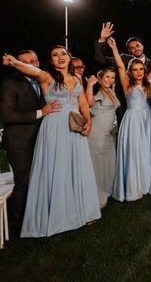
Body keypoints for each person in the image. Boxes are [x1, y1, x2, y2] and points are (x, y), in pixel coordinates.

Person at [3, 46, 100, 238]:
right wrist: (14, 62)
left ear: (69, 57)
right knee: (57, 168)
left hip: (74, 128)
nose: (60, 57)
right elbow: (33, 70)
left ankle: (80, 212)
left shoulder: (78, 79)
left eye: (63, 54)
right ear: (51, 61)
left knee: (76, 168)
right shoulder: (47, 77)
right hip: (55, 127)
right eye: (55, 55)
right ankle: (56, 217)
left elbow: (82, 103)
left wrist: (88, 123)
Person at [0, 50, 60, 233]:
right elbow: (6, 115)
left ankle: (36, 218)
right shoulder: (10, 84)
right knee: (24, 182)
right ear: (17, 65)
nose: (32, 63)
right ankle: (15, 226)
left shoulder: (42, 81)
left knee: (39, 180)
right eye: (26, 61)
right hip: (20, 143)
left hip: (41, 139)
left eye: (34, 60)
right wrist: (41, 112)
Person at [110, 38, 151, 201]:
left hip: (146, 118)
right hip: (132, 119)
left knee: (146, 148)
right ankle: (133, 185)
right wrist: (114, 47)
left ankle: (147, 182)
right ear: (131, 71)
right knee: (133, 149)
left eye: (141, 69)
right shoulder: (127, 83)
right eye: (135, 69)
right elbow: (120, 65)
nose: (138, 72)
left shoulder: (148, 81)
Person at [85, 68, 120, 208]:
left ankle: (107, 191)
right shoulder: (97, 91)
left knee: (109, 162)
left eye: (112, 77)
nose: (110, 80)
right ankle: (97, 197)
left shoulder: (111, 90)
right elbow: (88, 103)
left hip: (107, 134)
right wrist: (89, 85)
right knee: (98, 165)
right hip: (96, 133)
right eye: (107, 77)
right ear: (100, 78)